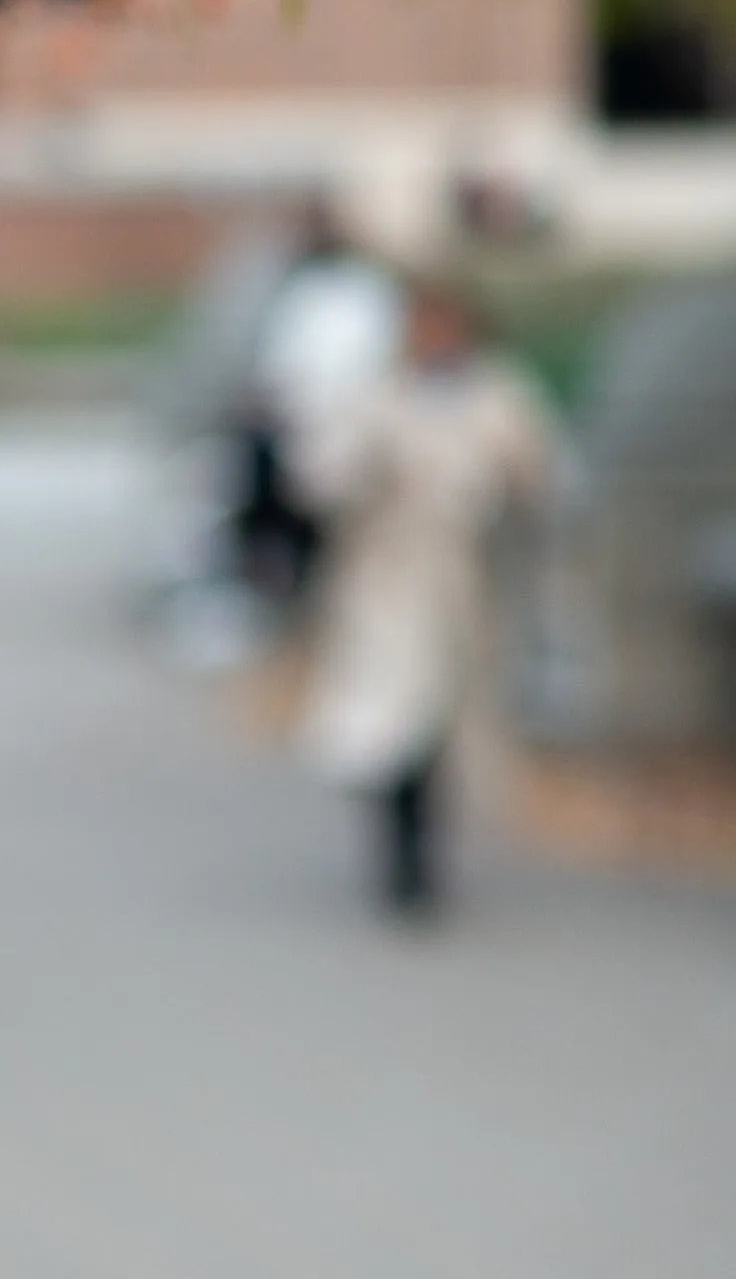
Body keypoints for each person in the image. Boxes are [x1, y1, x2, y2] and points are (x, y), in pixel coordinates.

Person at [292, 273, 557, 917]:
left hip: (467, 585)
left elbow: (538, 478)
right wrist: (369, 472)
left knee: (447, 731)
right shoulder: (378, 397)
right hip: (388, 580)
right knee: (390, 727)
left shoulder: (500, 396)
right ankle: (401, 855)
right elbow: (320, 479)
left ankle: (428, 855)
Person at [233, 197, 401, 615]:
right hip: (302, 420)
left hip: (355, 422)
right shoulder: (301, 290)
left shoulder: (369, 290)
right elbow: (281, 362)